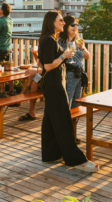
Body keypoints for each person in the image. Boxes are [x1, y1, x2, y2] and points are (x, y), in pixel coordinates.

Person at [38, 10, 98, 172]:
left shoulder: (48, 39)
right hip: (55, 85)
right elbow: (48, 65)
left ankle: (50, 154)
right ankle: (76, 160)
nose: (63, 23)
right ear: (52, 22)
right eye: (60, 20)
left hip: (52, 84)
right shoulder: (50, 40)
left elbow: (40, 61)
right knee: (64, 121)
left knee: (50, 120)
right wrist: (64, 56)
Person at [58, 15, 90, 143]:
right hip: (68, 75)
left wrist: (82, 47)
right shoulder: (60, 41)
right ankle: (66, 136)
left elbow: (87, 56)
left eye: (77, 25)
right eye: (73, 25)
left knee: (75, 106)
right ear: (66, 26)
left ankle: (73, 134)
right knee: (68, 105)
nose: (75, 27)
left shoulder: (78, 40)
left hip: (78, 76)